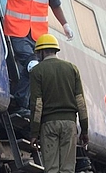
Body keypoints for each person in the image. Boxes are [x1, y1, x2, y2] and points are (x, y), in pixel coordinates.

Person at [0, 0, 74, 117]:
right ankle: (22, 103)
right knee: (31, 64)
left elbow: (55, 4)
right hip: (16, 30)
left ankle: (23, 102)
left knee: (34, 68)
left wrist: (65, 25)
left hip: (38, 35)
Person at [29, 33, 88, 173]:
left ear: (42, 52)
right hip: (69, 124)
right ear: (55, 50)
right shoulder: (72, 68)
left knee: (51, 169)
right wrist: (84, 130)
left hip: (48, 125)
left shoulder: (37, 71)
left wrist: (34, 133)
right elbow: (81, 102)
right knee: (67, 169)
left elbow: (37, 104)